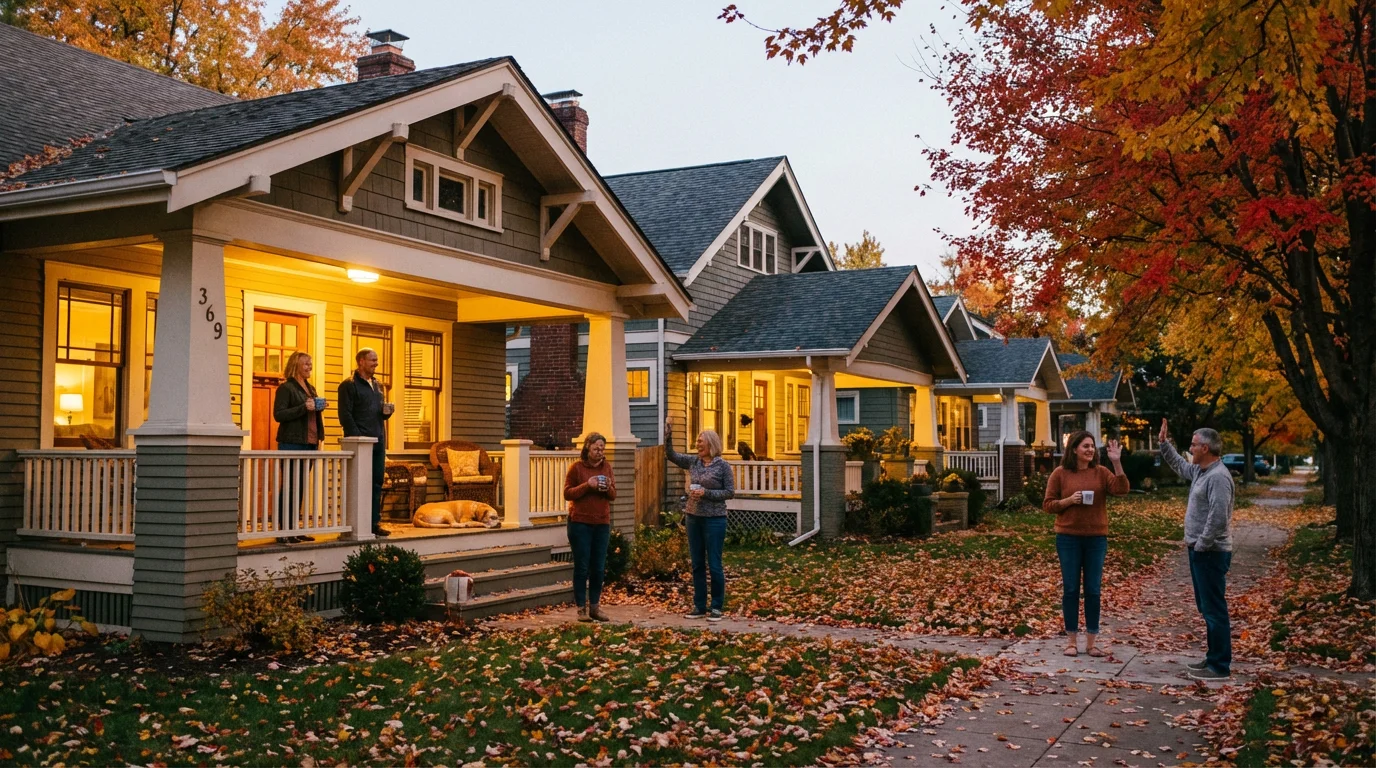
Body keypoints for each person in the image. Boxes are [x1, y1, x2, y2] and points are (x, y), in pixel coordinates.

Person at [1157, 419, 1236, 680]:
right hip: (1200, 550)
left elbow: (1218, 517)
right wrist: (1163, 444)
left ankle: (1220, 666)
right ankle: (1213, 658)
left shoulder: (1218, 477)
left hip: (1211, 552)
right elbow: (1180, 466)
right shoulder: (1201, 472)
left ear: (1206, 448)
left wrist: (1201, 545)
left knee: (1214, 609)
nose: (1190, 449)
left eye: (1193, 444)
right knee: (1207, 608)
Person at [1043, 431, 1131, 657]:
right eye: (1085, 446)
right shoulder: (1060, 474)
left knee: (1092, 590)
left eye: (1092, 446)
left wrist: (1116, 462)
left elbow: (1122, 489)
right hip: (1068, 538)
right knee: (1071, 589)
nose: (1090, 450)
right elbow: (1048, 504)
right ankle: (1071, 641)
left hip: (1096, 539)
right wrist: (1069, 501)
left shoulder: (1101, 473)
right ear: (1074, 449)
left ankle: (1092, 643)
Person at [664, 418, 735, 621]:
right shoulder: (693, 462)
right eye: (697, 442)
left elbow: (730, 492)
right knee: (696, 564)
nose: (697, 444)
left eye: (700, 441)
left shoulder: (723, 466)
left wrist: (706, 493)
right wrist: (668, 434)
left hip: (714, 519)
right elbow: (671, 455)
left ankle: (716, 607)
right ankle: (699, 605)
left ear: (711, 444)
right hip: (693, 517)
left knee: (714, 563)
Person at [338, 348, 393, 538]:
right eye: (373, 360)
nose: (376, 363)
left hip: (378, 440)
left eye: (377, 360)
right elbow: (345, 415)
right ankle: (357, 525)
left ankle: (373, 523)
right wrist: (358, 439)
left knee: (376, 482)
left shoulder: (378, 385)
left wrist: (386, 412)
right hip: (360, 443)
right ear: (361, 361)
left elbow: (377, 413)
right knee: (360, 484)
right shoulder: (349, 385)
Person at [272, 351, 325, 544]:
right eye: (306, 364)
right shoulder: (286, 388)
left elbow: (311, 411)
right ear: (296, 365)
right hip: (291, 442)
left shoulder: (310, 388)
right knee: (289, 486)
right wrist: (305, 407)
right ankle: (283, 530)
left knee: (300, 486)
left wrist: (319, 406)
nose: (310, 367)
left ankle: (294, 528)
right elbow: (279, 414)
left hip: (309, 443)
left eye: (311, 364)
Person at [563, 432, 617, 623]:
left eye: (602, 448)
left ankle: (595, 607)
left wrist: (607, 487)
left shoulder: (606, 467)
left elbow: (613, 495)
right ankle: (581, 609)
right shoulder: (577, 468)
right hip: (580, 523)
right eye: (596, 448)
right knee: (582, 567)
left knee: (598, 567)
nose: (600, 451)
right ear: (587, 448)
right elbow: (567, 493)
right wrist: (588, 485)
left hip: (601, 523)